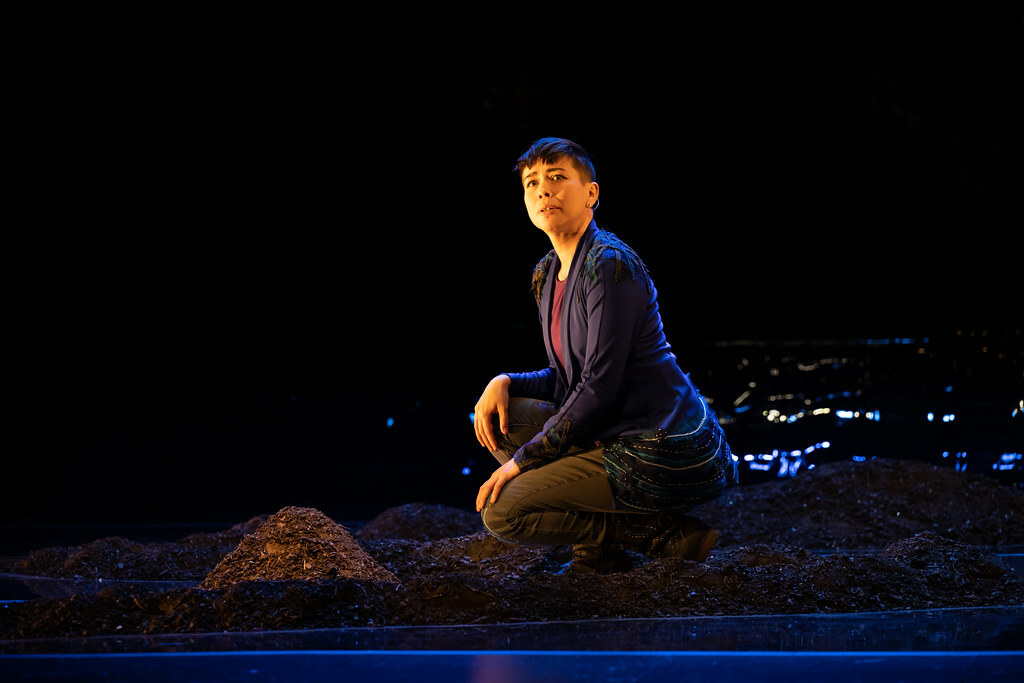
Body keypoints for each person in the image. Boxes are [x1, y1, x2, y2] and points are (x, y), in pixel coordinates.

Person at [473, 137, 738, 574]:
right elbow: (566, 379)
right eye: (532, 183)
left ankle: (658, 534)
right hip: (613, 429)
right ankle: (601, 552)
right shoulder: (547, 273)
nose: (543, 191)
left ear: (591, 194)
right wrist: (504, 381)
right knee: (499, 418)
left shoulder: (610, 266)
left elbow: (598, 385)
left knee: (504, 513)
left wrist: (524, 462)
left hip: (661, 444)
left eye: (558, 178)